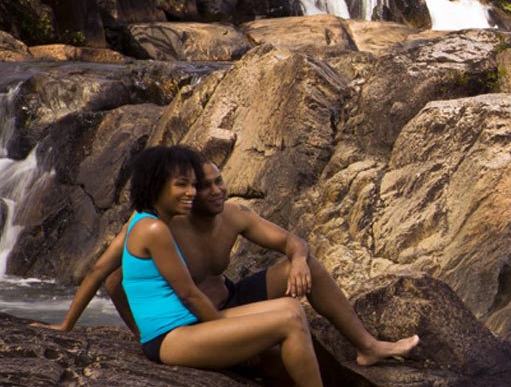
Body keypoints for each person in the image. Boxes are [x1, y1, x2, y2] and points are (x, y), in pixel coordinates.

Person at [40, 146, 389, 387]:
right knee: (286, 319)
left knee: (291, 309)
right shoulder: (155, 229)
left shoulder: (149, 222)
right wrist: (217, 326)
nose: (193, 192)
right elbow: (186, 294)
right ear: (157, 186)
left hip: (184, 325)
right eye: (184, 185)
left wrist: (67, 327)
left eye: (196, 184)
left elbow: (99, 272)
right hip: (172, 336)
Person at [48, 155, 418, 366]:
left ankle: (367, 345)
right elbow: (107, 276)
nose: (213, 191)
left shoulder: (236, 215)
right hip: (195, 323)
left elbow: (292, 241)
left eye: (217, 182)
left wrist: (301, 260)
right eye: (200, 185)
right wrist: (77, 327)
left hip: (233, 301)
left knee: (308, 268)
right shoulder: (162, 225)